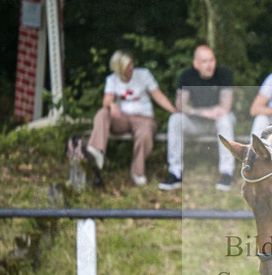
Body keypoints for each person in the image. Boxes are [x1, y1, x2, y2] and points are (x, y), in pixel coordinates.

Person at [86, 50, 176, 186]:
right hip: (121, 119)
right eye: (127, 66)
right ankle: (96, 150)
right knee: (102, 113)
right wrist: (111, 105)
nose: (131, 68)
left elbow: (158, 95)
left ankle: (138, 172)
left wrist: (174, 110)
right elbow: (106, 101)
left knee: (145, 134)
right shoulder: (112, 80)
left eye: (131, 64)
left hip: (144, 118)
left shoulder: (144, 74)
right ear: (118, 68)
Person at [158, 45, 236, 191]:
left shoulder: (224, 74)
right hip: (198, 122)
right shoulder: (187, 76)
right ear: (196, 64)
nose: (209, 65)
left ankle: (227, 173)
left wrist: (208, 112)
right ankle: (175, 173)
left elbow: (225, 106)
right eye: (204, 61)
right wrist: (202, 112)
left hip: (218, 122)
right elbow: (180, 105)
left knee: (225, 119)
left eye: (212, 60)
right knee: (175, 120)